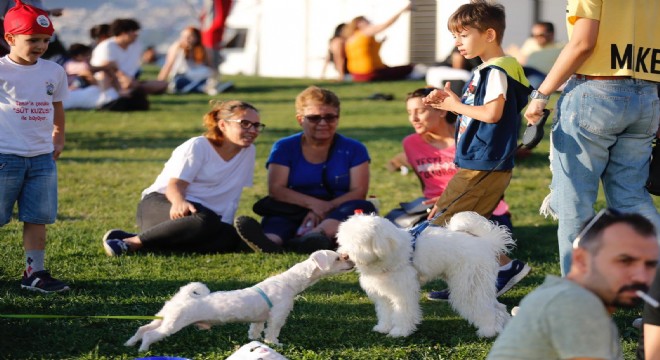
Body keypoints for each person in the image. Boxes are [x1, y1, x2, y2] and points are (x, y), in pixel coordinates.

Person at [524, 0, 660, 276]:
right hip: (646, 95)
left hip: (596, 90)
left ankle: (576, 301)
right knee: (632, 199)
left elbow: (582, 43)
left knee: (574, 201)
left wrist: (541, 94)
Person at [422, 0, 532, 300]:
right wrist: (452, 102)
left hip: (484, 162)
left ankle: (505, 268)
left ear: (490, 34)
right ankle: (472, 281)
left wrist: (454, 105)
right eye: (455, 36)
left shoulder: (497, 70)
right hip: (483, 159)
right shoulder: (489, 70)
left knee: (442, 221)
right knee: (463, 226)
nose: (457, 42)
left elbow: (493, 115)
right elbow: (482, 114)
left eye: (463, 34)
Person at [488, 209, 659, 360]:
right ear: (581, 259)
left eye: (650, 264)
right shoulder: (575, 308)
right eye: (624, 261)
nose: (641, 276)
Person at [102, 100, 263, 256]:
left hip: (203, 220)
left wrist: (224, 228)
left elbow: (232, 196)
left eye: (256, 125)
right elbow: (175, 185)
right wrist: (179, 202)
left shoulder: (249, 152)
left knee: (230, 238)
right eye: (245, 123)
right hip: (165, 204)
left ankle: (152, 240)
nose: (253, 130)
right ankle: (132, 242)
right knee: (206, 220)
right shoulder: (198, 146)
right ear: (223, 125)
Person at [234, 85, 375, 254]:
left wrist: (325, 208)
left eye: (330, 117)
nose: (323, 123)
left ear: (337, 118)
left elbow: (358, 191)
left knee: (361, 206)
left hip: (337, 209)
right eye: (314, 118)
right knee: (279, 214)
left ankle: (313, 238)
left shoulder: (354, 148)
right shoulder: (285, 147)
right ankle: (268, 242)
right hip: (293, 207)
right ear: (300, 119)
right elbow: (276, 189)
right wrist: (314, 205)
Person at [0, 0, 69, 292]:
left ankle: (34, 273)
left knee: (37, 217)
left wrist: (59, 134)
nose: (41, 46)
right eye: (33, 40)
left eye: (45, 40)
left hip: (42, 159)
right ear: (10, 39)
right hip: (5, 157)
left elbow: (57, 106)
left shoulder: (53, 72)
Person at [385, 87, 512, 232]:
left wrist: (447, 199)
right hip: (432, 210)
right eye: (409, 113)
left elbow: (485, 186)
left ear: (441, 111)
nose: (413, 119)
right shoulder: (411, 143)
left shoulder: (469, 140)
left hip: (477, 208)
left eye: (420, 111)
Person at [343, 3, 424, 82]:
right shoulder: (365, 32)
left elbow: (364, 51)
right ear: (359, 23)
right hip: (370, 73)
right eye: (366, 21)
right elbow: (386, 24)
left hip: (356, 74)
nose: (369, 23)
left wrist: (381, 43)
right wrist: (401, 11)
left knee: (391, 70)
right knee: (410, 68)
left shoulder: (352, 36)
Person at [90, 18, 168, 100]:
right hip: (109, 80)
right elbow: (110, 69)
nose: (136, 34)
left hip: (131, 80)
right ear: (123, 33)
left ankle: (132, 90)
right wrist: (126, 79)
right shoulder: (107, 46)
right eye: (133, 31)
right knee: (128, 84)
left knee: (162, 84)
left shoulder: (136, 45)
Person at [62, 43, 120, 110]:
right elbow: (88, 73)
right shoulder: (77, 65)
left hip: (74, 88)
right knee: (82, 80)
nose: (88, 57)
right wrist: (99, 85)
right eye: (86, 55)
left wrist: (106, 67)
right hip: (73, 87)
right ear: (77, 56)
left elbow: (94, 68)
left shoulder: (71, 63)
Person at [158, 26, 215, 95]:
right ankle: (198, 88)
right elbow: (168, 65)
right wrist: (159, 82)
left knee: (206, 77)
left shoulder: (204, 49)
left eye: (190, 36)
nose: (186, 39)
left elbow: (210, 66)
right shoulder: (177, 47)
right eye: (184, 36)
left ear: (197, 37)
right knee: (179, 81)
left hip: (199, 77)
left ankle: (195, 88)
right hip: (181, 76)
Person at [506, 21, 563, 89]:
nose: (536, 38)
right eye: (533, 35)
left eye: (540, 35)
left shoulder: (561, 47)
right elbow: (521, 61)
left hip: (542, 75)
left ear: (551, 34)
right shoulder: (530, 42)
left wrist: (516, 54)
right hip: (524, 70)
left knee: (531, 86)